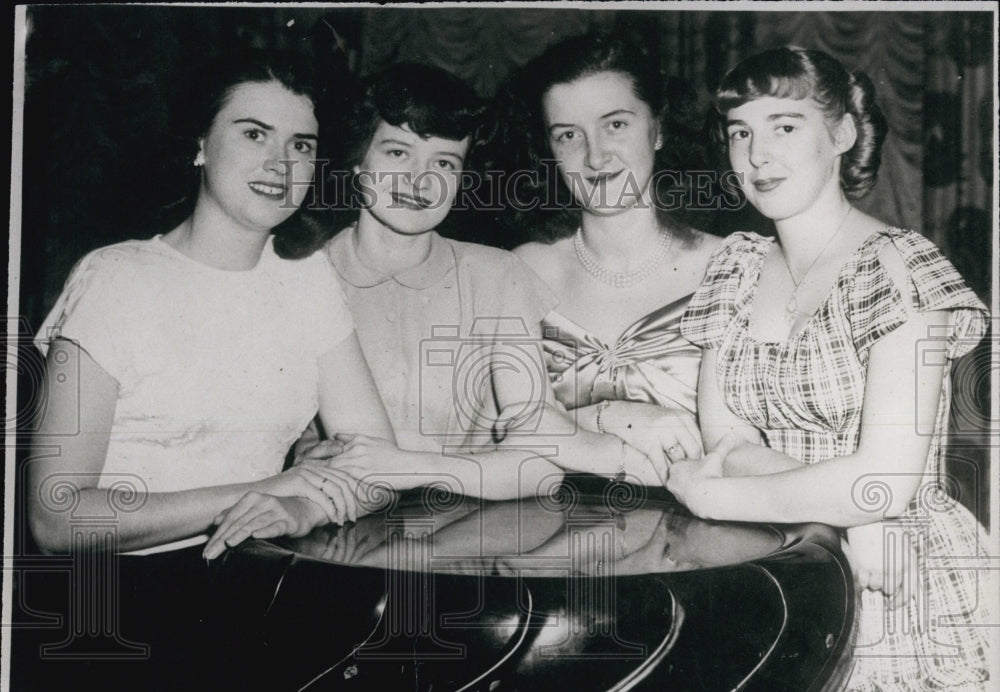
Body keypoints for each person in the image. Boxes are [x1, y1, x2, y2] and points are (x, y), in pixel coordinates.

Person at [670, 47, 992, 692]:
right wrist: (848, 511)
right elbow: (724, 434)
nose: (756, 153)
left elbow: (888, 478)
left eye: (784, 126)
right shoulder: (738, 267)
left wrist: (723, 493)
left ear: (843, 133)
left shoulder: (900, 268)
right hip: (780, 565)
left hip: (900, 585)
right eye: (739, 131)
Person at [203, 63, 671, 555]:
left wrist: (406, 464)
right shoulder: (295, 274)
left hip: (474, 547)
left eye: (445, 163)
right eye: (398, 152)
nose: (420, 180)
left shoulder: (497, 275)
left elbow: (542, 467)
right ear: (358, 160)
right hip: (327, 537)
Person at [29, 48, 395, 559]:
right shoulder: (115, 278)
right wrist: (267, 489)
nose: (280, 163)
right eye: (254, 134)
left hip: (258, 577)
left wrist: (303, 508)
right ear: (199, 143)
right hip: (116, 595)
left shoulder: (306, 275)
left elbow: (379, 465)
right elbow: (56, 518)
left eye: (301, 145)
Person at [494, 31, 722, 480]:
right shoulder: (520, 268)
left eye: (615, 125)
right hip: (550, 528)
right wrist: (612, 417)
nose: (595, 156)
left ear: (658, 129)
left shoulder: (727, 266)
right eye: (567, 135)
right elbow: (505, 428)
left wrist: (565, 426)